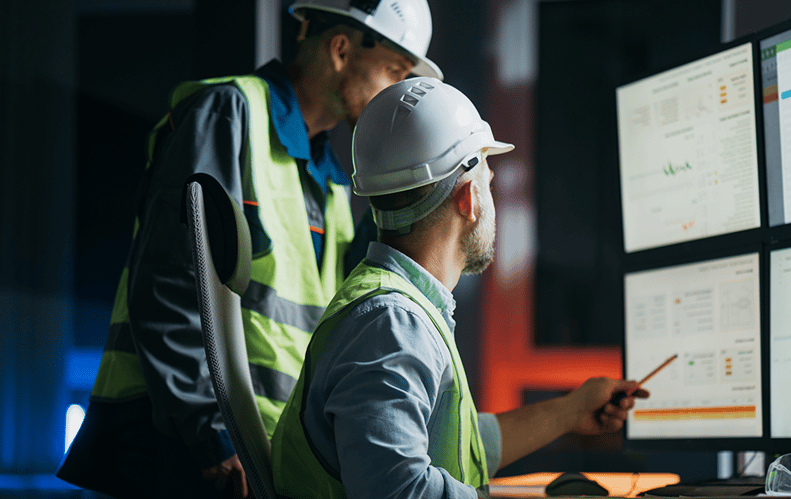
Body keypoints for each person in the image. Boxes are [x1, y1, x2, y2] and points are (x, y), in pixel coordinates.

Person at [56, 1, 441, 498]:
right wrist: (209, 434)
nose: (396, 91)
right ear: (342, 49)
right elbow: (173, 280)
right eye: (394, 70)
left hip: (257, 450)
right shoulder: (227, 113)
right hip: (185, 447)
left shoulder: (332, 183)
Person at [270, 77, 649, 499]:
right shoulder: (392, 324)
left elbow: (452, 450)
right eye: (488, 182)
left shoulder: (397, 309)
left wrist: (571, 410)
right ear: (468, 199)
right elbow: (398, 491)